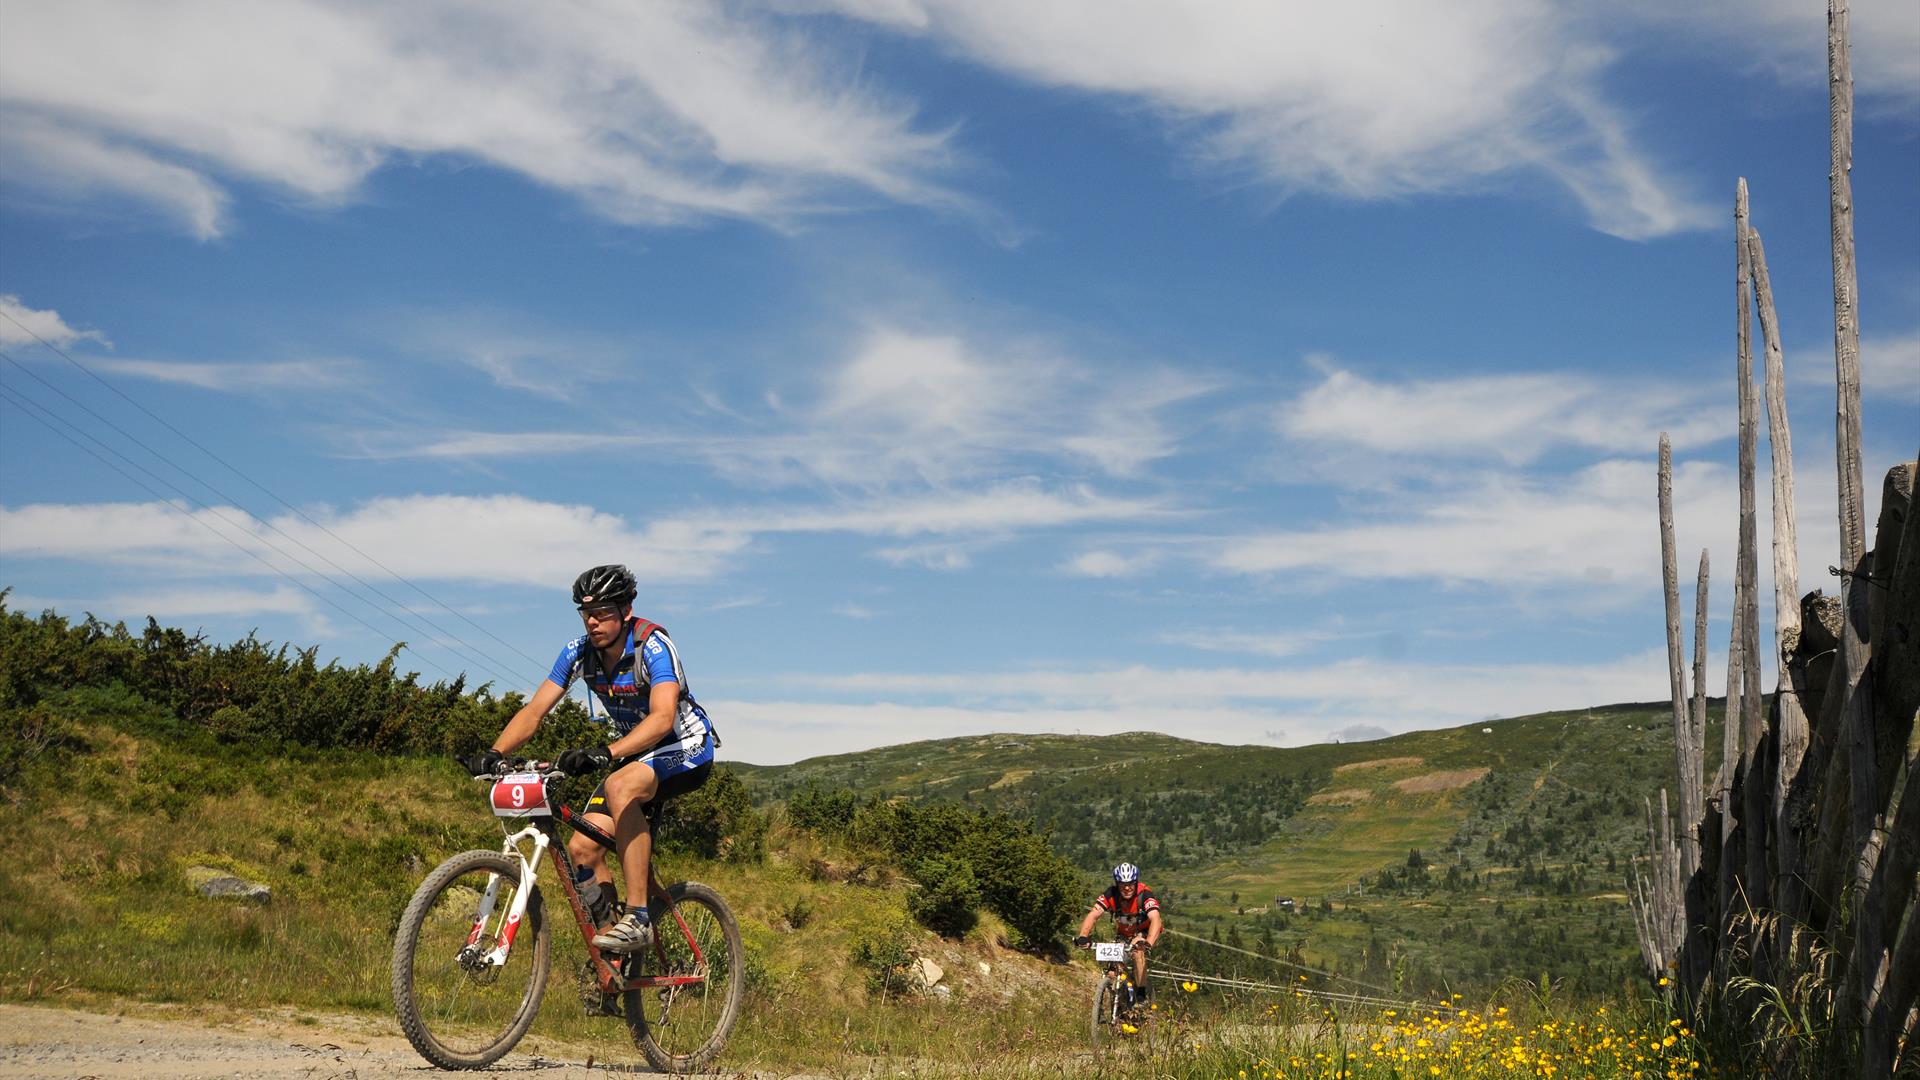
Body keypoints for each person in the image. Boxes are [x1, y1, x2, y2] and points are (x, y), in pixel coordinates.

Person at [461, 564, 716, 953]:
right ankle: (611, 951)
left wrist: (607, 752)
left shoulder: (653, 646)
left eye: (603, 614)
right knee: (583, 848)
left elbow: (663, 717)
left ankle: (639, 919)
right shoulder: (578, 653)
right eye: (586, 614)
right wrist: (495, 752)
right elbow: (534, 712)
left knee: (620, 784)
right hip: (637, 751)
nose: (593, 623)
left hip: (685, 746)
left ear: (626, 610)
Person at [1073, 862, 1162, 1008]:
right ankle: (1120, 1004)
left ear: (1136, 882)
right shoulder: (1111, 894)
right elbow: (1094, 914)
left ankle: (1141, 995)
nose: (1127, 888)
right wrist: (1084, 935)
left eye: (1130, 884)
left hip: (1144, 931)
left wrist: (1148, 943)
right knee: (1113, 972)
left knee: (1138, 953)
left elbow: (1156, 918)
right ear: (1117, 883)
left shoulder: (1144, 894)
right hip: (1124, 933)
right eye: (1122, 884)